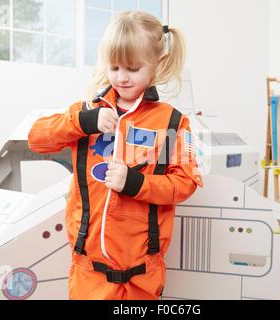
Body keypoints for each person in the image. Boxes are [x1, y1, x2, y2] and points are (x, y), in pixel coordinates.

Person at [28, 10, 203, 300]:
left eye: (133, 69)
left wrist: (135, 183)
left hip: (143, 275)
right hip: (88, 273)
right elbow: (37, 138)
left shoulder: (174, 123)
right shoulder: (86, 111)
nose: (121, 78)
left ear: (156, 63)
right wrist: (83, 122)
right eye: (114, 67)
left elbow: (186, 184)